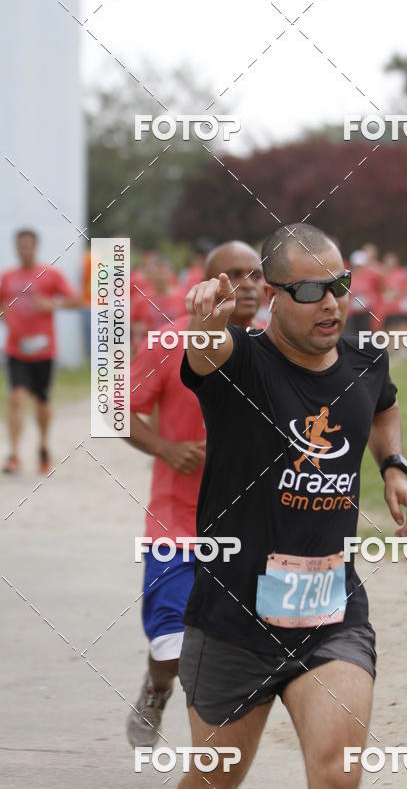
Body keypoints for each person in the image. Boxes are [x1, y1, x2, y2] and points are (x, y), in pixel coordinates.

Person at [178, 223, 407, 789]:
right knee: (216, 779)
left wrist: (394, 468)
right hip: (233, 620)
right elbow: (206, 350)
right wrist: (204, 322)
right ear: (271, 296)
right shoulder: (242, 364)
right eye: (310, 291)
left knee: (339, 773)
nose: (331, 302)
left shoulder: (366, 362)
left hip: (331, 618)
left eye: (339, 285)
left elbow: (383, 407)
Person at [125, 241, 265, 749]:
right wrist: (165, 446)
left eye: (253, 274)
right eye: (230, 274)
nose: (244, 284)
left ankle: (213, 758)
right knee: (169, 647)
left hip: (248, 529)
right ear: (206, 285)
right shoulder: (167, 343)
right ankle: (156, 689)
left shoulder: (275, 350)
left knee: (232, 653)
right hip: (176, 522)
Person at [0, 229, 79, 474]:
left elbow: (76, 300)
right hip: (16, 348)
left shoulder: (51, 275)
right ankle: (14, 454)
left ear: (36, 247)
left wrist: (53, 303)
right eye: (21, 245)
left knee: (42, 404)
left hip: (43, 350)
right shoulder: (7, 276)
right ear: (16, 247)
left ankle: (42, 445)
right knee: (15, 398)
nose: (25, 249)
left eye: (29, 245)